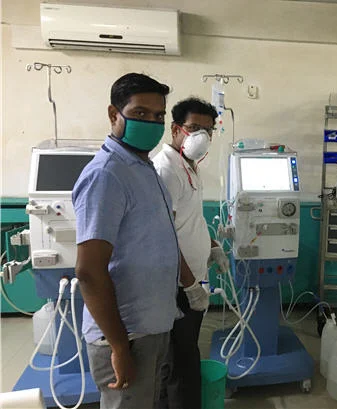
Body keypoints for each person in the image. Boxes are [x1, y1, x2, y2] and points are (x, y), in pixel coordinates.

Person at [73, 73, 207, 409]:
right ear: (113, 114)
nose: (151, 122)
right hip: (127, 333)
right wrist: (118, 346)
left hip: (153, 325)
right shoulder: (106, 175)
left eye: (158, 115)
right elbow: (89, 271)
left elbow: (161, 238)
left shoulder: (143, 169)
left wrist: (189, 285)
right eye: (140, 114)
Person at [152, 97, 229, 409]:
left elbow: (190, 221)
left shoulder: (190, 167)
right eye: (195, 128)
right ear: (175, 129)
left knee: (187, 354)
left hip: (193, 278)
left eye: (208, 131)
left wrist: (213, 247)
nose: (202, 137)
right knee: (179, 362)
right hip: (178, 286)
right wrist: (190, 285)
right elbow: (164, 237)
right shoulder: (165, 170)